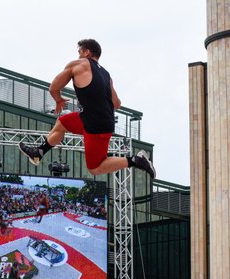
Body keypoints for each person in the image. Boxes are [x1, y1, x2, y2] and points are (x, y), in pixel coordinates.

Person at [18, 39, 156, 178]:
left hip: (95, 125)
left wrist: (59, 100)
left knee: (95, 168)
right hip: (93, 118)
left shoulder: (78, 65)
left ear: (87, 52)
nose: (78, 56)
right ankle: (38, 153)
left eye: (79, 52)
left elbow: (54, 88)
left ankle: (136, 160)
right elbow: (117, 104)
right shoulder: (107, 75)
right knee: (62, 123)